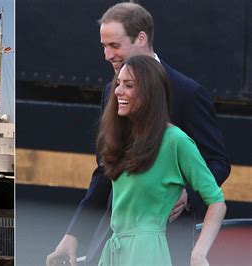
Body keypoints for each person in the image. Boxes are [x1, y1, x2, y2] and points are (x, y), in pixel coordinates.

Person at [46, 3, 230, 266]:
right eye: (103, 46)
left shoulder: (188, 92)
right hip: (113, 240)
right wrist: (74, 233)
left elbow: (218, 161)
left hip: (164, 240)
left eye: (114, 45)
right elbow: (105, 171)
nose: (107, 55)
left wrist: (188, 193)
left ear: (141, 38)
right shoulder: (112, 91)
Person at [98, 55, 226, 265]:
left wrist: (198, 254)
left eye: (128, 85)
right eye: (118, 83)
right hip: (114, 252)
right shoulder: (123, 137)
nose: (118, 91)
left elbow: (217, 201)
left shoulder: (175, 140)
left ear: (149, 93)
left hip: (147, 254)